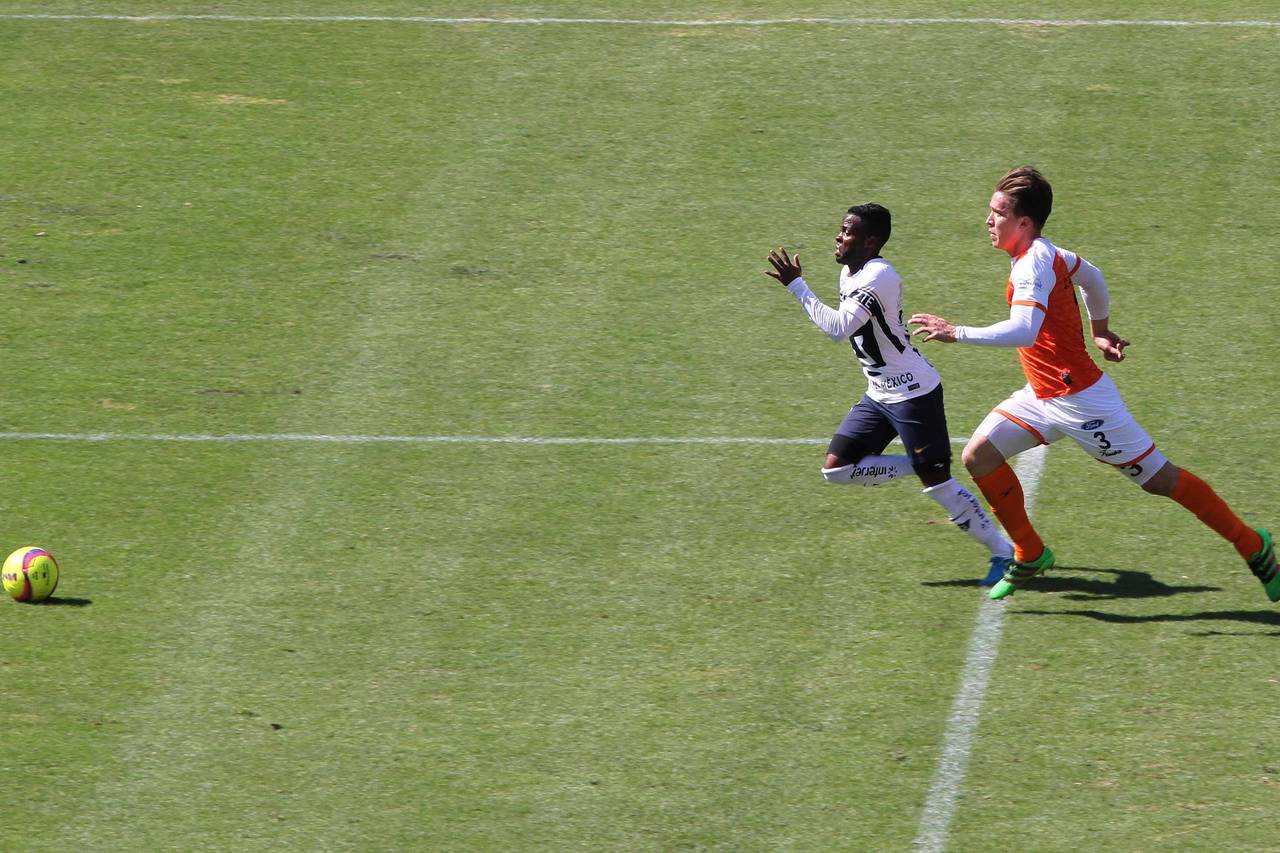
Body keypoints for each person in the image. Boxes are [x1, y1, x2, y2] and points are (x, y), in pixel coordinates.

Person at [909, 166, 1276, 601]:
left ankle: (1252, 544)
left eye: (998, 213)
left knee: (1161, 480)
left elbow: (1024, 330)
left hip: (1082, 401)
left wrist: (956, 332)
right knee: (979, 456)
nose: (988, 220)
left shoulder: (1032, 266)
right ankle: (1030, 552)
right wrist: (1099, 329)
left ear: (1023, 223)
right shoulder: (1048, 253)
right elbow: (1093, 276)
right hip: (1042, 395)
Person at [766, 203, 1013, 583]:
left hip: (914, 393)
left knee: (939, 486)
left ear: (870, 241)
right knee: (837, 470)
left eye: (847, 231)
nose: (838, 236)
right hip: (880, 394)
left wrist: (797, 286)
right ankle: (919, 465)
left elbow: (838, 328)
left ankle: (1002, 552)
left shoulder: (879, 276)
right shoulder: (851, 272)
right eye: (841, 229)